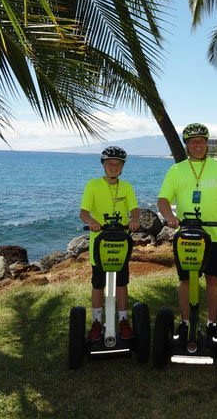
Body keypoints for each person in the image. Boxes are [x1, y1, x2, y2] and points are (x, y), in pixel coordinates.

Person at [157, 123, 217, 344]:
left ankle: (212, 324)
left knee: (214, 279)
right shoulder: (176, 170)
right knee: (185, 280)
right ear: (186, 145)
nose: (197, 145)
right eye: (192, 141)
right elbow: (163, 200)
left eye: (201, 141)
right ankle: (185, 323)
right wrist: (169, 217)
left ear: (207, 143)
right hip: (187, 236)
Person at [80, 146, 141, 342]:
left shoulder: (127, 187)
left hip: (120, 243)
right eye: (110, 164)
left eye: (117, 164)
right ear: (104, 165)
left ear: (122, 167)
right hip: (100, 243)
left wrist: (135, 220)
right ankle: (97, 321)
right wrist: (92, 223)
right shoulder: (93, 185)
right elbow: (84, 213)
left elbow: (135, 210)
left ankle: (123, 320)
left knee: (121, 283)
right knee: (98, 284)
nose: (113, 167)